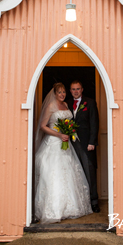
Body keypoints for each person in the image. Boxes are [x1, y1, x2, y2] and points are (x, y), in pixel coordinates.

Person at [34, 82, 92, 223]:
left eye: (64, 92)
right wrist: (59, 135)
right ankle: (54, 208)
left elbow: (69, 122)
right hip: (54, 143)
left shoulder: (66, 105)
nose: (62, 94)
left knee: (69, 172)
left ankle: (71, 207)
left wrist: (68, 131)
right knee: (55, 173)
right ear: (54, 94)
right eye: (59, 92)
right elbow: (43, 126)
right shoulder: (50, 106)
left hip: (66, 143)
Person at [67, 80, 100, 213]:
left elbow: (94, 123)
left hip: (86, 144)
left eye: (78, 89)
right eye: (73, 89)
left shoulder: (90, 103)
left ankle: (94, 202)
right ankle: (81, 202)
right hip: (71, 143)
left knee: (89, 171)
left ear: (82, 89)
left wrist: (92, 142)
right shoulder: (67, 104)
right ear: (70, 90)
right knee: (75, 173)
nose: (75, 91)